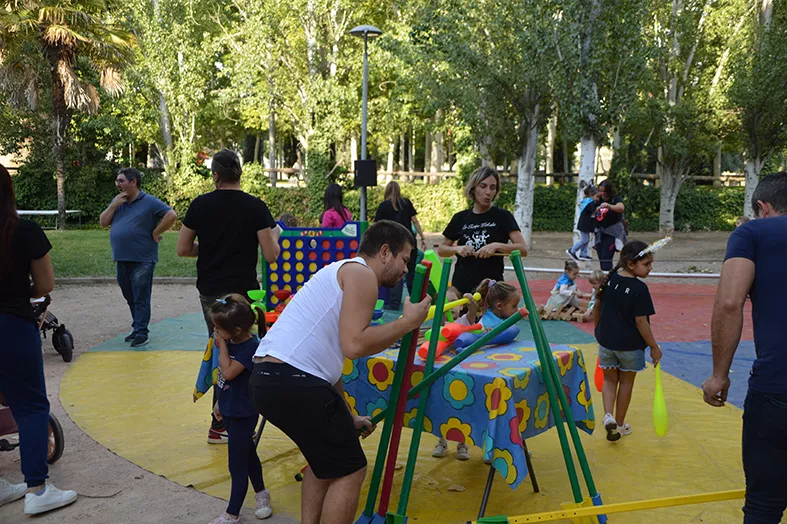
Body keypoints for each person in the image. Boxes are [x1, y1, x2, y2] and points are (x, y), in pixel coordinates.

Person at [249, 220, 431, 524]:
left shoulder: (340, 271)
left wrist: (346, 416)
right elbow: (355, 344)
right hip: (294, 380)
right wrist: (407, 323)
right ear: (385, 252)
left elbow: (330, 369)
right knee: (351, 468)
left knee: (323, 464)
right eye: (404, 259)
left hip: (268, 379)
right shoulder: (361, 274)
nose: (405, 270)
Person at [177, 149, 281, 445]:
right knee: (244, 352)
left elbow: (183, 249)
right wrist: (274, 236)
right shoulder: (255, 207)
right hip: (243, 292)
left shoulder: (200, 205)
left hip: (210, 291)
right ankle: (234, 419)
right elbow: (271, 256)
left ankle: (219, 422)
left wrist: (208, 249)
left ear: (216, 175)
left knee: (220, 349)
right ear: (240, 174)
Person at [702, 172, 787, 523]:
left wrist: (719, 375)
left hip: (777, 391)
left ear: (761, 207)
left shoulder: (751, 233)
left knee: (764, 506)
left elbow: (729, 303)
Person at [0, 164, 77, 515]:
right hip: (10, 323)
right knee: (31, 406)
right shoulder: (25, 231)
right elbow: (45, 285)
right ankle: (36, 488)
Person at [432, 278, 521, 461]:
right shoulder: (444, 323)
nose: (452, 307)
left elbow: (472, 319)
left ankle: (467, 444)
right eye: (447, 303)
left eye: (453, 302)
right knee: (447, 405)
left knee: (467, 406)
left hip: (473, 370)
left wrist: (471, 305)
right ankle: (442, 441)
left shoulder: (469, 320)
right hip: (451, 368)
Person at [208, 294, 272, 524]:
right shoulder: (234, 341)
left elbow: (228, 372)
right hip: (230, 408)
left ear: (235, 330)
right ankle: (262, 493)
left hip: (244, 412)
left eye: (218, 328)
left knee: (236, 464)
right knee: (247, 453)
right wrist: (219, 402)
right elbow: (227, 383)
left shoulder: (249, 347)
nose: (215, 332)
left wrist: (222, 346)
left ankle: (232, 513)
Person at [99, 167, 177, 347]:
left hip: (142, 258)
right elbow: (103, 222)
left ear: (133, 182)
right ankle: (137, 328)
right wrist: (114, 205)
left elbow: (171, 215)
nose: (117, 184)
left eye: (121, 181)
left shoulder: (149, 201)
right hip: (122, 257)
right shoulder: (118, 202)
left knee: (141, 295)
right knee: (129, 295)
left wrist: (156, 232)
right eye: (117, 181)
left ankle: (142, 332)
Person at [593, 240, 662, 442]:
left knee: (609, 379)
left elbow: (597, 305)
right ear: (631, 264)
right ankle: (620, 425)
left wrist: (598, 331)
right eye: (646, 264)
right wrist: (654, 347)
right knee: (625, 383)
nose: (650, 268)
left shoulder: (610, 279)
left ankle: (608, 416)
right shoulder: (639, 289)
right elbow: (641, 322)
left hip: (606, 341)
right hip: (630, 346)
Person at [438, 167, 528, 294]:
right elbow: (442, 250)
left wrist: (496, 246)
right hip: (460, 287)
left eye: (493, 188)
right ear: (473, 188)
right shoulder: (460, 217)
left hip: (490, 289)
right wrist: (457, 249)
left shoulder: (503, 216)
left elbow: (523, 249)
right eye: (483, 186)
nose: (488, 192)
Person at [374, 181, 427, 309]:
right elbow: (415, 221)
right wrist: (423, 237)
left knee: (396, 273)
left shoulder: (383, 206)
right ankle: (417, 301)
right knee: (411, 273)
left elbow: (378, 226)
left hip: (393, 243)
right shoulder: (406, 203)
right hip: (409, 242)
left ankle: (394, 303)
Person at [592, 180, 626, 271]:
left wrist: (609, 206)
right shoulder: (597, 199)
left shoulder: (615, 199)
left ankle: (608, 278)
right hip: (600, 232)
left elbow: (621, 208)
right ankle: (605, 277)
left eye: (604, 191)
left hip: (612, 233)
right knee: (601, 257)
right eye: (600, 191)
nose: (602, 193)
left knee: (607, 256)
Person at [567, 184, 598, 262]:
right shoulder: (590, 202)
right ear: (592, 195)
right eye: (597, 196)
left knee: (586, 239)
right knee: (584, 240)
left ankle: (583, 254)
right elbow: (593, 210)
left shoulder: (587, 201)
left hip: (585, 224)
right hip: (584, 224)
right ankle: (572, 250)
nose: (598, 198)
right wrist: (600, 207)